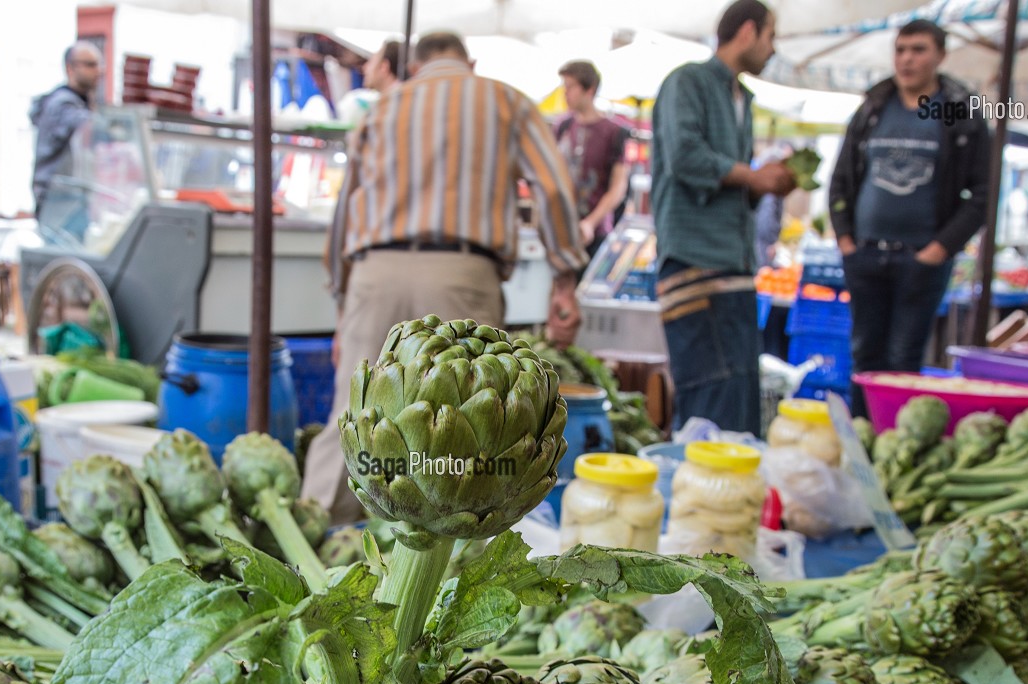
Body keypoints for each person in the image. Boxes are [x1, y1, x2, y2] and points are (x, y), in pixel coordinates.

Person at [305, 30, 588, 523]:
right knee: (465, 445)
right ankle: (447, 578)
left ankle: (316, 549)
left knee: (352, 422)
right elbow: (554, 188)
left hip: (374, 273)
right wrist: (564, 276)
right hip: (462, 275)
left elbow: (345, 211)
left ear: (415, 65)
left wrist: (340, 299)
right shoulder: (504, 101)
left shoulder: (380, 108)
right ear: (469, 61)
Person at [829, 19, 990, 415]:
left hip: (920, 260)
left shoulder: (960, 114)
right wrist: (847, 242)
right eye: (900, 49)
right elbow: (839, 183)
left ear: (940, 55)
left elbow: (983, 194)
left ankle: (891, 450)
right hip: (866, 256)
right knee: (863, 358)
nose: (906, 59)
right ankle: (860, 446)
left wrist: (939, 249)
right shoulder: (872, 109)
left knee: (903, 361)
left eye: (918, 50)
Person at [651, 0, 794, 434]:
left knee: (739, 392)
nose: (772, 50)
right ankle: (700, 494)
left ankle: (729, 497)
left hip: (734, 264)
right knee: (710, 394)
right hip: (695, 261)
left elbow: (734, 184)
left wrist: (764, 182)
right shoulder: (688, 82)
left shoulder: (742, 99)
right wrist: (754, 178)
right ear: (747, 31)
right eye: (771, 36)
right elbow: (685, 157)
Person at [555, 60, 632, 261]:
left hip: (596, 234)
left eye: (570, 87)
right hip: (561, 231)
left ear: (589, 90)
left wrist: (590, 222)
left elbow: (618, 187)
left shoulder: (615, 132)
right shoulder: (562, 126)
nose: (565, 93)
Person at [30, 42, 102, 219]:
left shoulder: (79, 102)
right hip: (58, 200)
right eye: (90, 64)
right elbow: (94, 130)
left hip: (69, 199)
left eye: (98, 65)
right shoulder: (63, 104)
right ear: (70, 68)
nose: (97, 71)